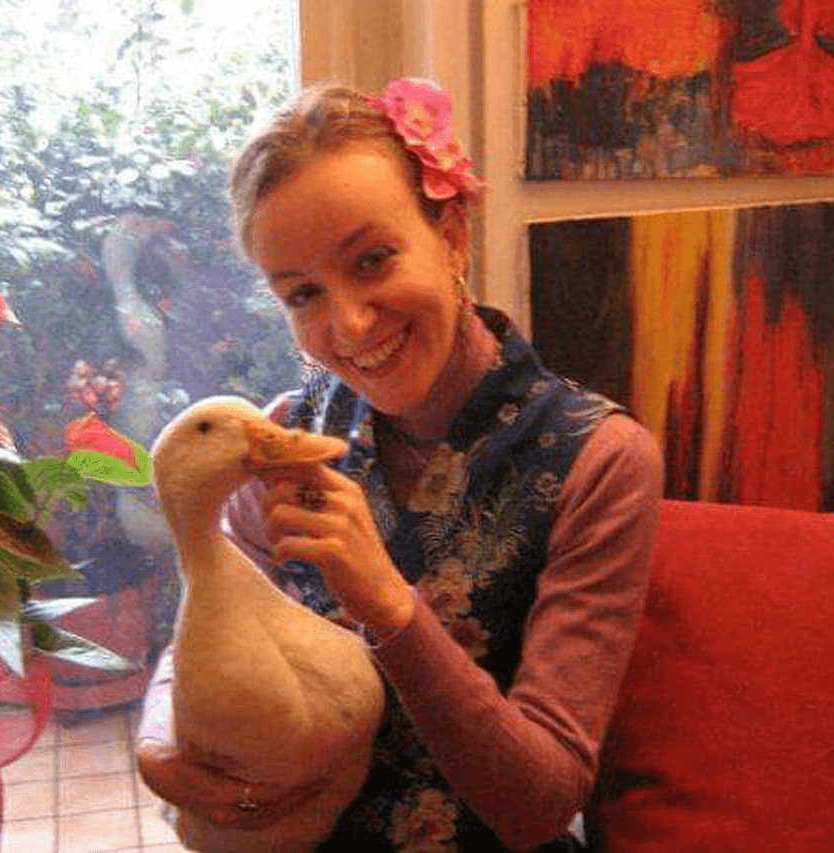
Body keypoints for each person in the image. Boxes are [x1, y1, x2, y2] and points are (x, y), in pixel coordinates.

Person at [134, 78, 663, 853]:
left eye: (373, 259)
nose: (348, 325)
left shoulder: (599, 461)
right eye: (303, 293)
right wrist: (158, 745)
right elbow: (206, 610)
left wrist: (387, 603)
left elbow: (540, 803)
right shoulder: (283, 435)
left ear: (452, 234)